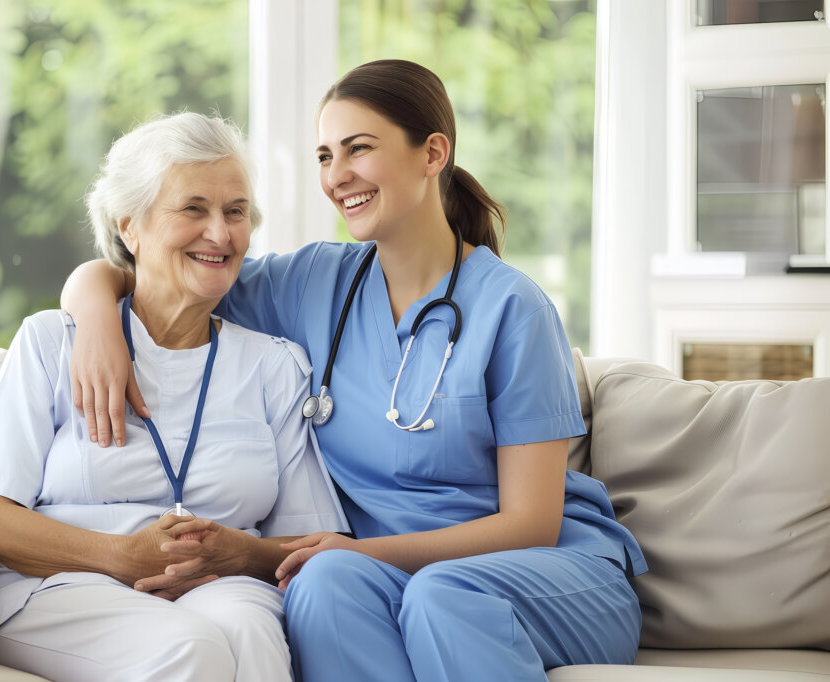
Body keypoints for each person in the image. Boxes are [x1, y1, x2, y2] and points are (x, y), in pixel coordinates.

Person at [62, 60, 648, 682]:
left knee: (441, 596)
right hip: (387, 572)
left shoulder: (512, 308)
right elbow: (157, 269)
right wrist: (96, 318)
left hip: (547, 572)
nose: (337, 177)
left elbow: (532, 523)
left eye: (358, 149)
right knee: (322, 582)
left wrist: (365, 551)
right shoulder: (317, 282)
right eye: (323, 156)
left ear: (432, 153)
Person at [0, 112, 348, 682]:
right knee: (191, 650)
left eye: (235, 212)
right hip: (63, 588)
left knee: (255, 637)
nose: (220, 233)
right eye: (193, 208)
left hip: (220, 584)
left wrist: (234, 551)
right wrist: (121, 555)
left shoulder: (275, 366)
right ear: (129, 226)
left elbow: (305, 540)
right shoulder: (52, 343)